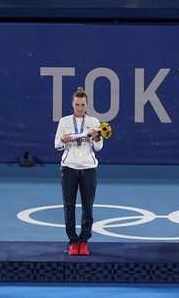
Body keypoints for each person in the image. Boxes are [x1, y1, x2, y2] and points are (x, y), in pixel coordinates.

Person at [53, 86, 105, 256]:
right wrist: (63, 139)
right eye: (77, 105)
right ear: (72, 104)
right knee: (69, 206)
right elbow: (56, 145)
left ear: (87, 104)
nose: (80, 108)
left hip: (88, 168)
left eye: (83, 105)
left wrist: (97, 137)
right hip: (69, 168)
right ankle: (73, 241)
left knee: (87, 207)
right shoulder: (64, 122)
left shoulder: (95, 122)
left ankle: (84, 241)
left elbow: (98, 147)